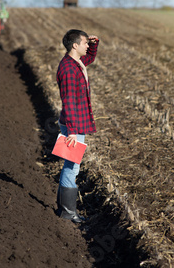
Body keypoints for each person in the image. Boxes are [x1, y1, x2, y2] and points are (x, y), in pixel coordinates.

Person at [56, 29, 99, 223]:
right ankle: (68, 212)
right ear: (75, 45)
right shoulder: (68, 70)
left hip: (77, 123)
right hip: (74, 125)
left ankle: (65, 209)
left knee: (72, 164)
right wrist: (72, 131)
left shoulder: (75, 63)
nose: (87, 46)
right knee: (72, 166)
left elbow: (89, 59)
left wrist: (94, 44)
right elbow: (69, 102)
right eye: (85, 43)